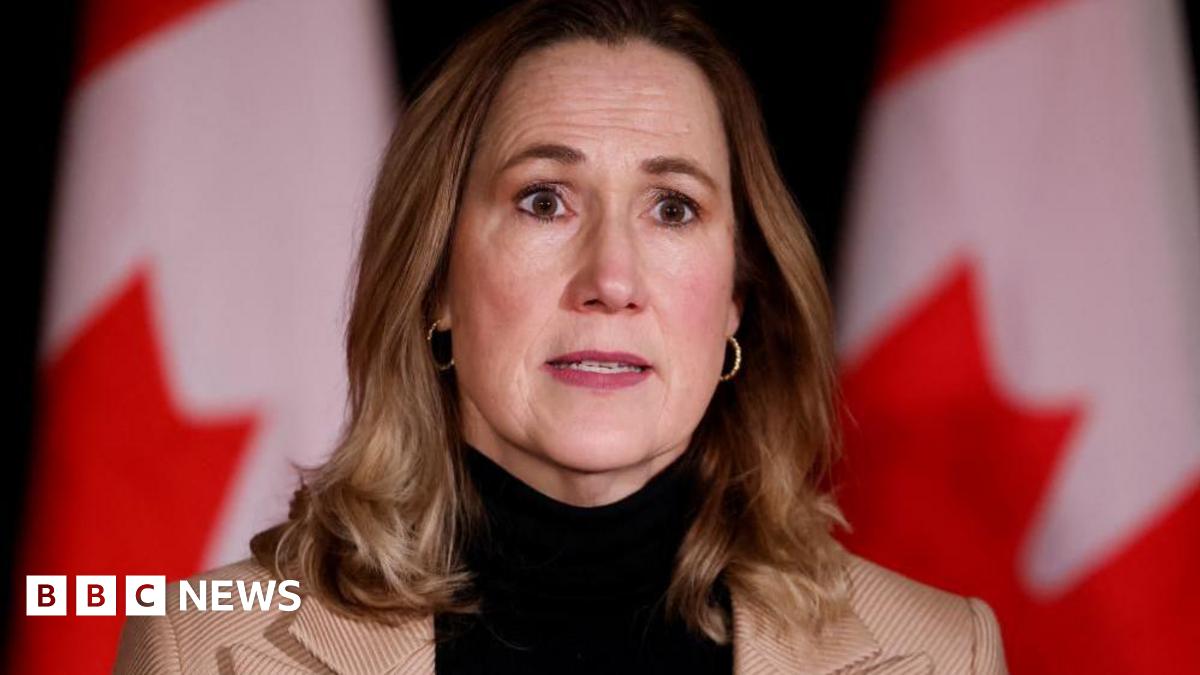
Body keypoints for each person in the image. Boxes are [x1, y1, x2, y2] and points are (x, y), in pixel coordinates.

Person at [114, 0, 1009, 672]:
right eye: (544, 200)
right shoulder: (200, 647)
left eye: (673, 208)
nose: (611, 280)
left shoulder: (943, 653)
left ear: (737, 299)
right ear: (437, 286)